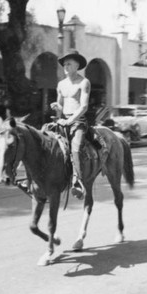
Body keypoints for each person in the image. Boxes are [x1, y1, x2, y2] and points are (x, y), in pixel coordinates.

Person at [50, 49, 91, 200]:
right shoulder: (61, 84)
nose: (65, 67)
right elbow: (61, 107)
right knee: (45, 141)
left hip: (78, 121)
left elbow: (84, 106)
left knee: (76, 147)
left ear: (77, 65)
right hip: (63, 120)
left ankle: (78, 181)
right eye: (64, 64)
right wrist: (56, 107)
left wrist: (70, 120)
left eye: (69, 64)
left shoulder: (84, 82)